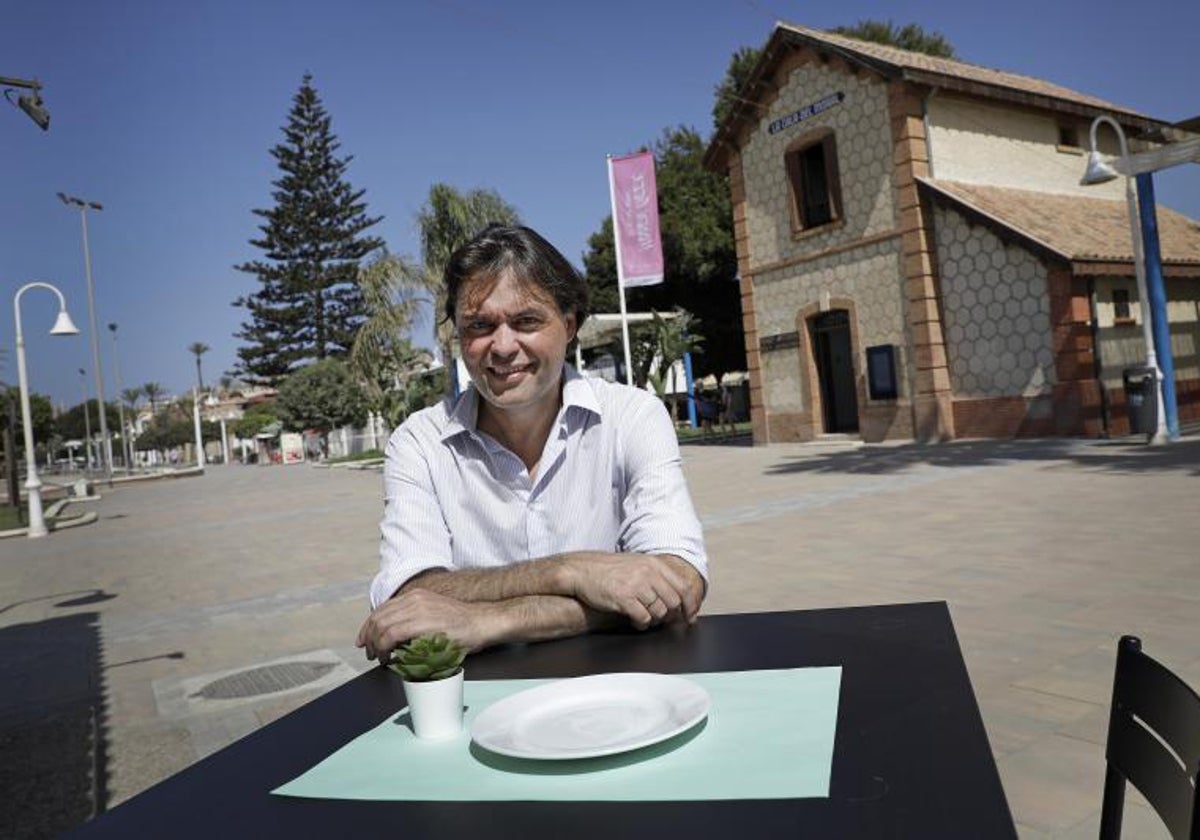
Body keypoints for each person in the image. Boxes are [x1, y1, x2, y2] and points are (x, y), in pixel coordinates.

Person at [356, 225, 707, 662]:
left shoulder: (632, 416)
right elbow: (410, 596)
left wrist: (488, 621)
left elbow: (680, 581)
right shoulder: (420, 443)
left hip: (619, 688)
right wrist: (573, 571)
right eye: (479, 325)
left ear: (569, 324)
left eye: (526, 321)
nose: (502, 346)